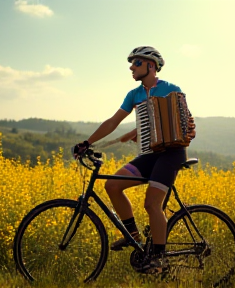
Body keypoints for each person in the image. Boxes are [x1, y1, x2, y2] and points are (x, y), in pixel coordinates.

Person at [73, 46, 196, 274]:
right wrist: (87, 143)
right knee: (112, 185)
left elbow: (187, 122)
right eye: (131, 64)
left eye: (136, 63)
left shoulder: (172, 90)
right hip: (150, 154)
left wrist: (189, 128)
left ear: (151, 65)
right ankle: (135, 237)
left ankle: (159, 260)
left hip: (171, 154)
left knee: (151, 204)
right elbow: (113, 121)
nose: (131, 67)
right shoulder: (134, 94)